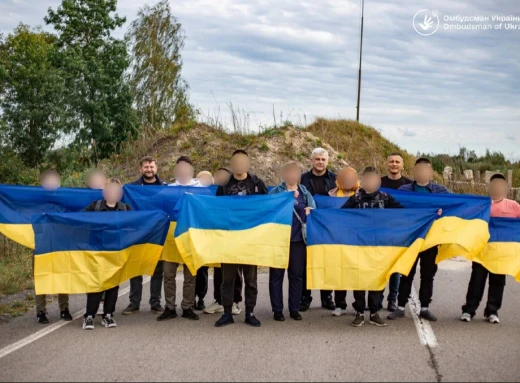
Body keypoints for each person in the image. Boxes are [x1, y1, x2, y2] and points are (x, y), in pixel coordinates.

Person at [388, 158, 449, 322]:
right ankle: (400, 307)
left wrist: (443, 211)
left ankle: (425, 308)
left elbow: (453, 208)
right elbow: (394, 209)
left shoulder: (441, 191)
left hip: (431, 239)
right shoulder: (404, 190)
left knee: (428, 275)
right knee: (406, 273)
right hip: (410, 239)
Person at [342, 166, 404, 327]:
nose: (370, 182)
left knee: (378, 280)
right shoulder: (355, 199)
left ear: (378, 181)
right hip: (359, 246)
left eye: (373, 180)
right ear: (362, 181)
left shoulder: (386, 198)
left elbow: (405, 214)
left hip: (380, 247)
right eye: (367, 179)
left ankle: (374, 312)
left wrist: (431, 213)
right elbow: (340, 217)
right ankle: (360, 311)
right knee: (360, 280)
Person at [214, 150, 268, 328]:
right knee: (227, 279)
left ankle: (250, 313)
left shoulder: (257, 183)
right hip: (229, 239)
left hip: (250, 238)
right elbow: (216, 208)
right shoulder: (224, 185)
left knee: (251, 280)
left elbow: (268, 206)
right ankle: (227, 312)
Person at [460, 173, 520, 324]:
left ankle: (492, 311)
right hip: (481, 251)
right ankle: (468, 310)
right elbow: (465, 218)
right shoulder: (481, 204)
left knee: (498, 282)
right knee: (476, 281)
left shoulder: (513, 206)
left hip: (501, 253)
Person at [269, 162, 316, 321]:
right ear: (284, 175)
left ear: (299, 176)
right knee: (276, 276)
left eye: (294, 173)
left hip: (298, 240)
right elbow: (268, 210)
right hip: (278, 241)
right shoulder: (276, 192)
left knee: (296, 276)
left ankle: (294, 309)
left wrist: (310, 211)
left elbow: (314, 212)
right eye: (288, 172)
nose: (291, 176)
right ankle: (277, 310)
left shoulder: (305, 193)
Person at [81, 178, 131, 330]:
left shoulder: (125, 208)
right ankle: (89, 316)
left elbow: (134, 225)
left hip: (116, 251)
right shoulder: (94, 206)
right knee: (97, 283)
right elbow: (80, 220)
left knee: (113, 285)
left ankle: (108, 315)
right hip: (97, 250)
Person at [122, 156, 167, 316]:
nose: (149, 169)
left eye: (152, 167)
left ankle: (155, 303)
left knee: (157, 269)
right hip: (138, 233)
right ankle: (134, 303)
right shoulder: (131, 188)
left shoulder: (165, 187)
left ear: (157, 168)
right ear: (140, 169)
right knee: (136, 268)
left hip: (157, 232)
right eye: (146, 167)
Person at [159, 157, 200, 322]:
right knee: (168, 275)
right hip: (170, 238)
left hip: (190, 236)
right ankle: (170, 307)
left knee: (190, 275)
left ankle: (188, 307)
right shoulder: (167, 190)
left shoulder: (201, 189)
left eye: (186, 168)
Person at [300, 148, 337, 311]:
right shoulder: (302, 179)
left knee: (326, 262)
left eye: (323, 159)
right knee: (306, 263)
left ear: (327, 161)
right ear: (311, 160)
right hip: (306, 225)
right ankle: (305, 297)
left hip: (328, 226)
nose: (320, 162)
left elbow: (347, 195)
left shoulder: (336, 179)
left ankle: (327, 297)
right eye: (317, 159)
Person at [35, 170, 72, 324]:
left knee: (62, 276)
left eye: (54, 181)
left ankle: (64, 309)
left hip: (61, 245)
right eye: (48, 181)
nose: (51, 183)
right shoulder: (35, 202)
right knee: (41, 277)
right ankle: (40, 312)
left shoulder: (65, 200)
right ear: (42, 183)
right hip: (41, 244)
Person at [380, 153, 412, 312]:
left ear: (402, 165)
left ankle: (392, 299)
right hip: (380, 229)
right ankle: (376, 299)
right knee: (379, 265)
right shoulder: (379, 182)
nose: (394, 164)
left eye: (397, 162)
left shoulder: (409, 185)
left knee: (395, 268)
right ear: (387, 164)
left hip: (400, 231)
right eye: (391, 161)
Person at [327, 167, 360, 316]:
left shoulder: (361, 195)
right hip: (338, 239)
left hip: (357, 239)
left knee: (357, 273)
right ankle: (340, 304)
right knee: (340, 272)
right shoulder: (331, 196)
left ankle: (358, 305)